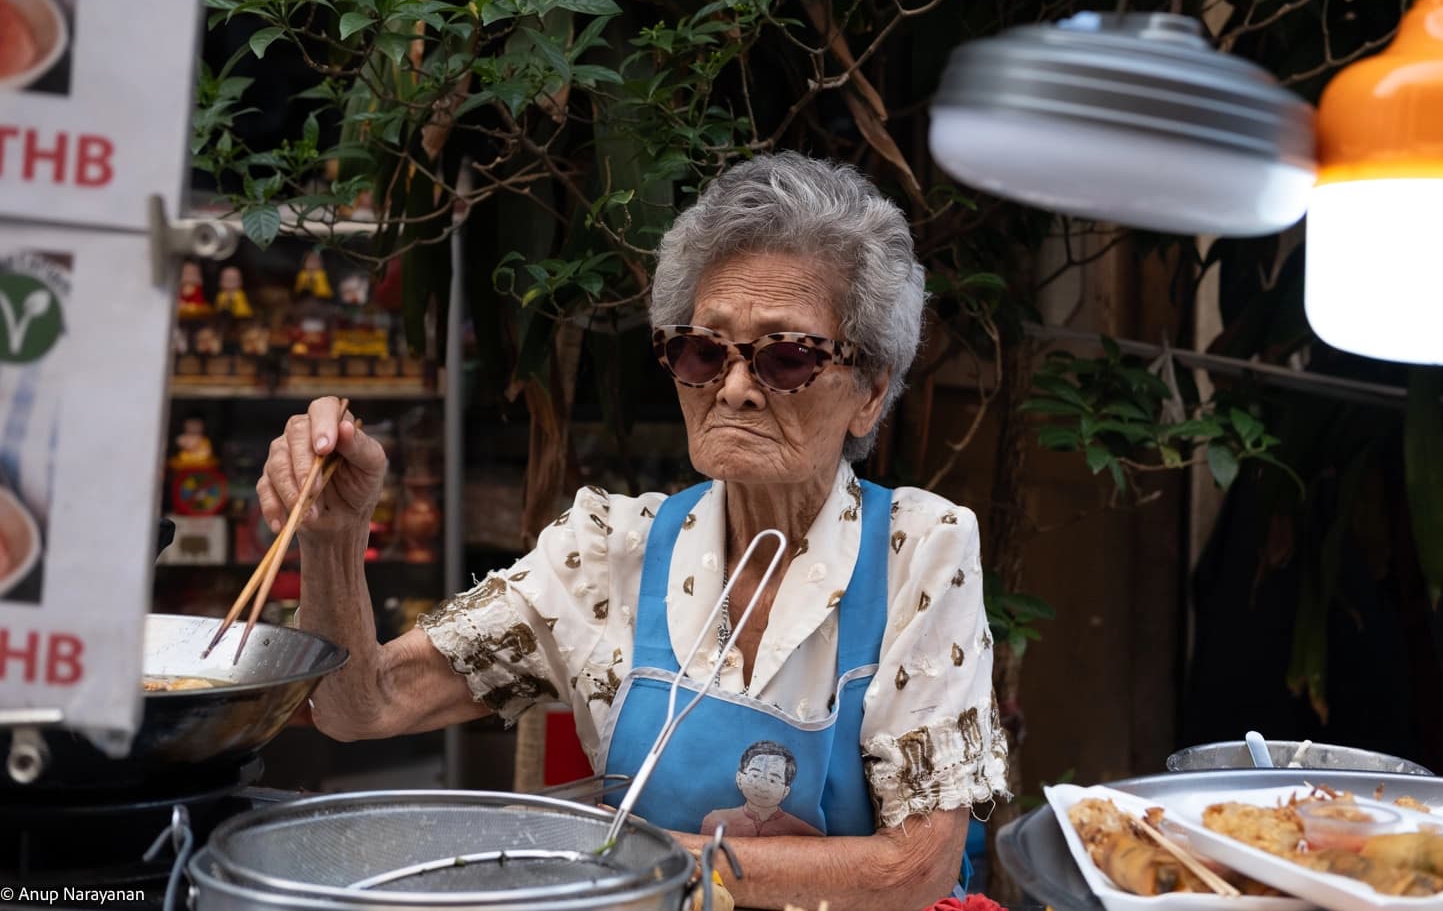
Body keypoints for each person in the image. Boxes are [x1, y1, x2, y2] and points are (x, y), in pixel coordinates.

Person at [259, 153, 1010, 911]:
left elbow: (913, 868)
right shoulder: (608, 551)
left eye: (787, 358)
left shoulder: (918, 550)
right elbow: (360, 704)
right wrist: (332, 538)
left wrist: (623, 856)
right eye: (702, 351)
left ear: (871, 392)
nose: (735, 389)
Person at [700, 740, 825, 838]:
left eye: (772, 780)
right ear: (739, 778)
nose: (762, 786)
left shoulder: (804, 834)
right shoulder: (714, 820)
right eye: (755, 775)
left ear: (785, 791)